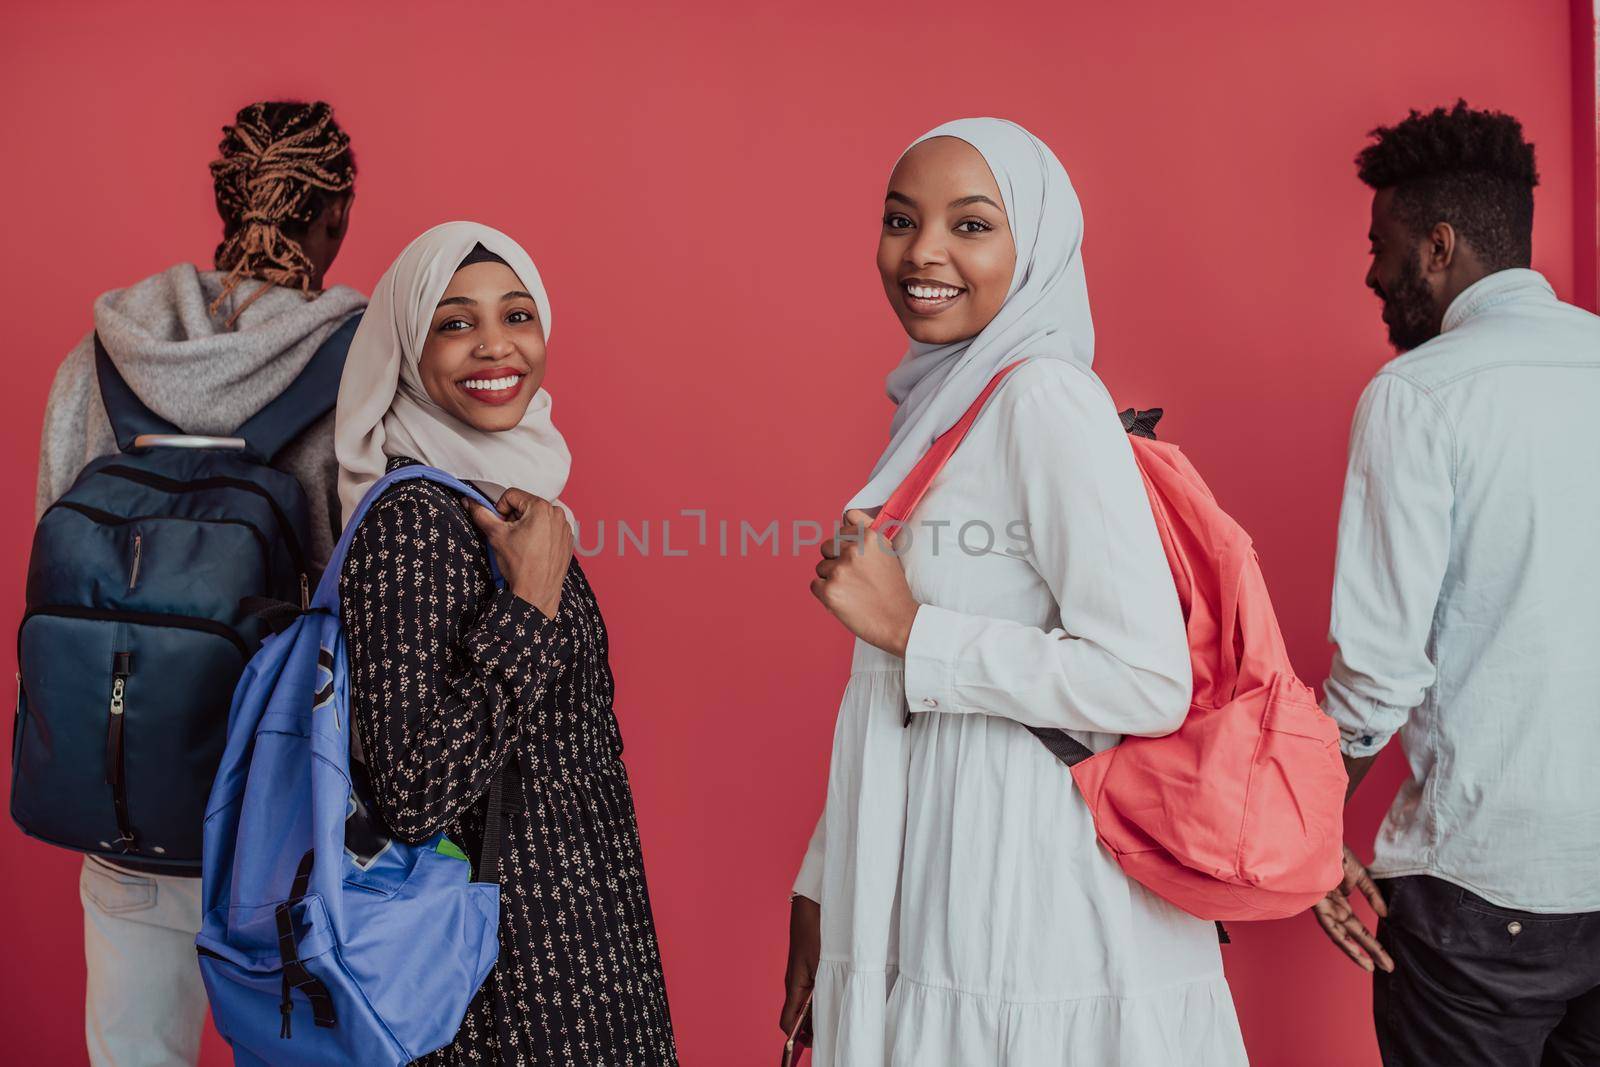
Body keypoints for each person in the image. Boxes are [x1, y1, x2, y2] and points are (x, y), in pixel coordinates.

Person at [779, 118, 1247, 1066]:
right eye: (901, 220)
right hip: (929, 866)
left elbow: (1146, 676)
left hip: (1019, 890)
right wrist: (823, 883)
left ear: (1035, 246)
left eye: (972, 225)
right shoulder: (946, 403)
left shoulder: (1043, 397)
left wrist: (917, 629)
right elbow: (887, 692)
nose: (925, 253)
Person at [33, 99, 362, 1067]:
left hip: (124, 802)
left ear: (221, 200)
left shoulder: (96, 358)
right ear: (334, 218)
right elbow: (369, 597)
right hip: (284, 818)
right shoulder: (353, 367)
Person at [333, 221, 677, 1064]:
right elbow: (412, 795)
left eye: (517, 315)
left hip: (587, 948)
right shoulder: (410, 524)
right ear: (409, 348)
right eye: (455, 322)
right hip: (506, 981)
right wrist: (527, 604)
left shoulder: (502, 500)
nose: (496, 345)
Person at [1311, 100, 1600, 1066]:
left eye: (1382, 245)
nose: (1371, 272)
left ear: (1438, 246)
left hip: (1485, 896)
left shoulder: (1418, 395)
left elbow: (1379, 677)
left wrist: (1305, 824)